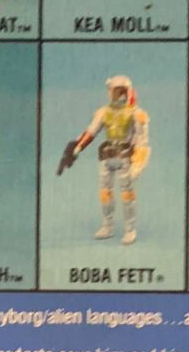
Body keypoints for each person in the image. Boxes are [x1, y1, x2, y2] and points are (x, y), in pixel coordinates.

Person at [60, 74, 151, 246]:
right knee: (105, 192)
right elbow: (91, 132)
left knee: (127, 193)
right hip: (107, 156)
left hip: (125, 156)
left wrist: (138, 163)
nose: (112, 93)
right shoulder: (104, 112)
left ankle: (130, 229)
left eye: (115, 90)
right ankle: (107, 225)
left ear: (125, 91)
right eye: (111, 90)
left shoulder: (136, 114)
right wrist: (77, 148)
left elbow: (142, 141)